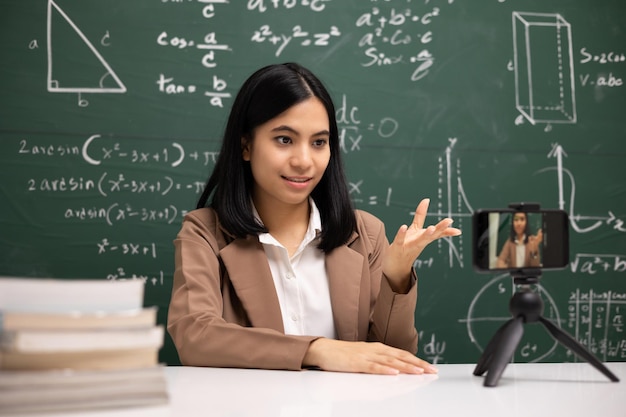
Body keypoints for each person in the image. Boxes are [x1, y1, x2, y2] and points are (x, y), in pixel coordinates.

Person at [167, 63, 461, 375]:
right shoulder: (205, 232)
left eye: (319, 142)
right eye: (284, 139)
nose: (304, 161)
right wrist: (316, 349)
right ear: (246, 146)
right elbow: (195, 335)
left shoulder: (365, 233)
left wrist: (397, 277)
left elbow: (393, 360)